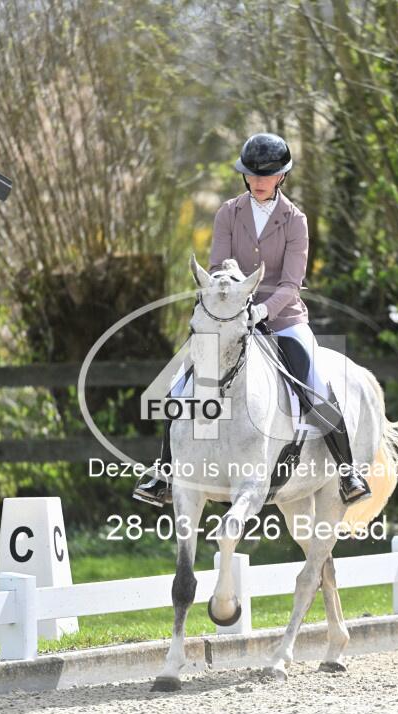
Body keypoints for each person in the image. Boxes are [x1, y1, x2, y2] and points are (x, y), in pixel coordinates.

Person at [133, 133, 371, 506]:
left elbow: (291, 285)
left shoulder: (295, 221)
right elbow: (216, 267)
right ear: (245, 176)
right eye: (253, 174)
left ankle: (347, 471)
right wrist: (232, 299)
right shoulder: (228, 213)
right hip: (230, 317)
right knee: (180, 385)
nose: (259, 181)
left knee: (315, 383)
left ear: (281, 176)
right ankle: (164, 471)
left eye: (268, 174)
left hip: (283, 318)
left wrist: (260, 310)